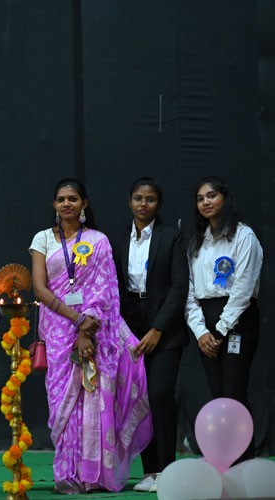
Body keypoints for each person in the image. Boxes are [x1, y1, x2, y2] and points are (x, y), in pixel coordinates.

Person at [29, 178, 152, 494]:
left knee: (94, 398)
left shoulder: (99, 241)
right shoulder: (43, 239)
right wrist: (76, 319)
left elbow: (105, 289)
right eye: (60, 199)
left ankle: (93, 475)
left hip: (95, 330)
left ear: (84, 204)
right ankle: (68, 474)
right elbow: (40, 288)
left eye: (73, 198)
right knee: (62, 404)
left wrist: (88, 329)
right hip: (58, 329)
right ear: (54, 205)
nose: (66, 204)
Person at [112, 177, 188, 492]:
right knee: (137, 398)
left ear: (159, 204)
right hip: (129, 327)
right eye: (138, 198)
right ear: (129, 201)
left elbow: (179, 285)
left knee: (159, 395)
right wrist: (122, 330)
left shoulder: (172, 237)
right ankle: (150, 471)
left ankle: (167, 471)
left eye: (151, 199)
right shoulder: (116, 239)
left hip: (165, 329)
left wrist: (158, 329)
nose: (144, 204)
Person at [184, 176, 262, 461]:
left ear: (225, 199)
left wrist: (220, 330)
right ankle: (224, 462)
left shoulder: (244, 236)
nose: (206, 201)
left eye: (212, 195)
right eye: (200, 198)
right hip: (206, 322)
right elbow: (189, 291)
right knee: (217, 393)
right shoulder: (196, 242)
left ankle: (244, 463)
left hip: (237, 319)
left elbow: (243, 288)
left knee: (234, 392)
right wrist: (200, 331)